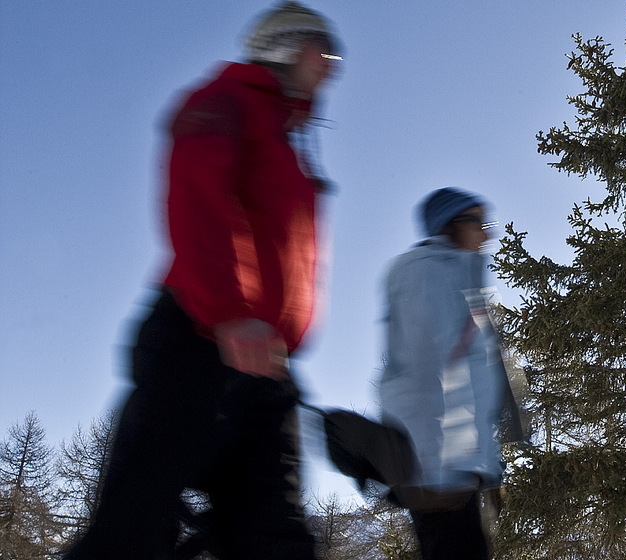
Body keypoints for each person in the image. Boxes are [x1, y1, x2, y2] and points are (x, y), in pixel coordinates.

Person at [63, 3, 342, 559]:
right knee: (132, 532)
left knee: (277, 540)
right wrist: (229, 310)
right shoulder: (224, 100)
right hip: (197, 339)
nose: (331, 67)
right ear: (288, 46)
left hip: (266, 365)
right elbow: (199, 197)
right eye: (324, 51)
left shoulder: (287, 140)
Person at [379, 187, 526, 560]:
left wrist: (487, 460)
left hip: (458, 464)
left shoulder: (463, 281)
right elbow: (427, 370)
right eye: (478, 222)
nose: (487, 233)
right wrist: (436, 469)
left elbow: (475, 378)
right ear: (449, 225)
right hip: (438, 468)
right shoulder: (426, 271)